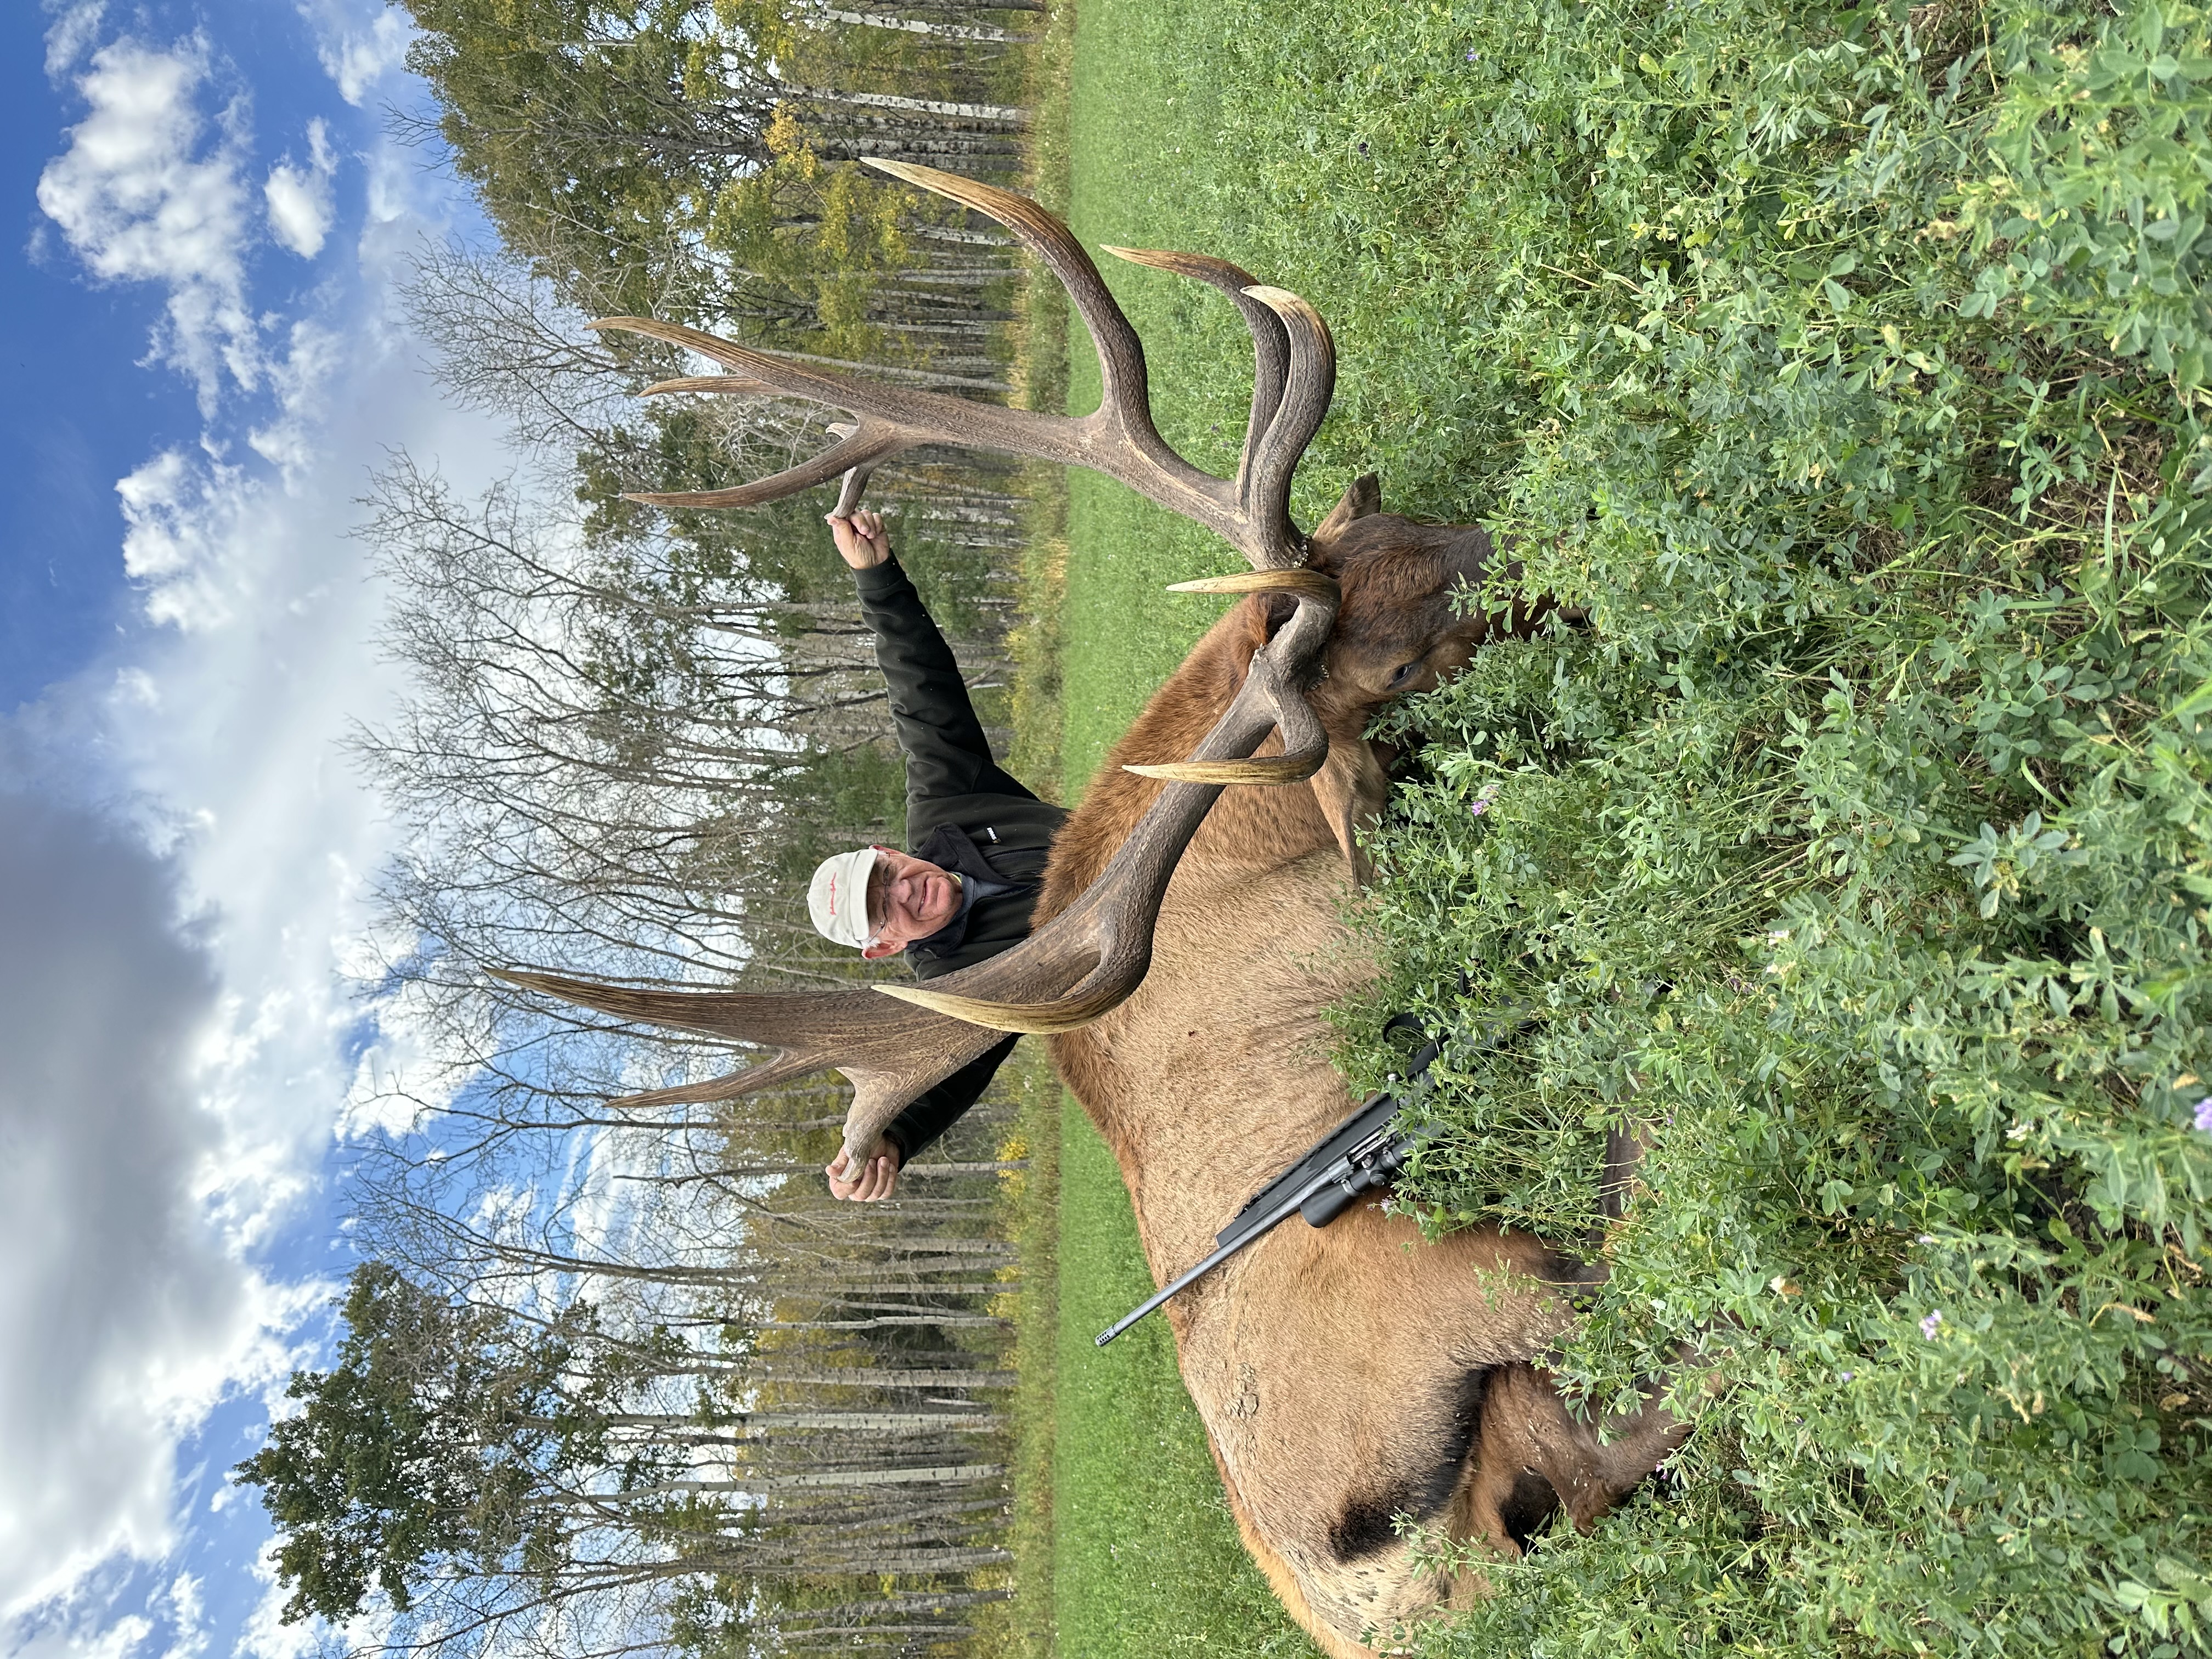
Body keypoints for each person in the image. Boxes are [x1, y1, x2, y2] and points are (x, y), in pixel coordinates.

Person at [809, 509, 1068, 1201]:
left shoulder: (945, 805)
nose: (903, 892)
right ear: (884, 950)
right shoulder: (956, 985)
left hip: (1185, 841)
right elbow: (953, 1071)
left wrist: (876, 578)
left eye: (886, 875)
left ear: (889, 850)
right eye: (882, 911)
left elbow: (920, 688)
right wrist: (894, 1139)